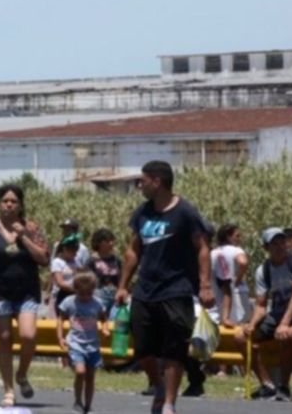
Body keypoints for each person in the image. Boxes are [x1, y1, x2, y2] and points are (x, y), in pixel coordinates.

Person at [116, 160, 213, 414]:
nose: (140, 185)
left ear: (157, 182)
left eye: (143, 180)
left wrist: (205, 285)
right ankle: (158, 385)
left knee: (174, 349)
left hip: (177, 289)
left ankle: (169, 403)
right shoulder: (142, 212)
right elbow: (133, 251)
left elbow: (203, 248)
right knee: (143, 350)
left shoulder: (185, 213)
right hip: (145, 290)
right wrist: (123, 285)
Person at [0, 183, 49, 408]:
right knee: (4, 339)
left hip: (26, 292)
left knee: (28, 336)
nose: (9, 205)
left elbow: (43, 258)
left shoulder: (31, 228)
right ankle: (8, 389)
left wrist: (23, 237)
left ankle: (22, 373)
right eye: (5, 201)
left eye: (14, 201)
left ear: (21, 205)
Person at [242, 227, 292, 400]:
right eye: (274, 244)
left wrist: (284, 324)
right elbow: (261, 306)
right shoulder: (263, 270)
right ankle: (267, 385)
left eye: (282, 242)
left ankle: (284, 387)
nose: (279, 246)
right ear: (266, 248)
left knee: (285, 335)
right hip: (277, 315)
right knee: (241, 337)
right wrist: (252, 324)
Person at [56, 271, 106, 414]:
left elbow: (103, 318)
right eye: (82, 293)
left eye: (89, 293)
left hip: (93, 344)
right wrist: (60, 337)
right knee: (80, 371)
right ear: (76, 290)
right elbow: (60, 319)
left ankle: (88, 406)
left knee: (90, 377)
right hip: (76, 343)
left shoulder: (97, 303)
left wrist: (105, 329)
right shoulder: (69, 302)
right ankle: (77, 400)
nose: (85, 297)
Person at [211, 223, 251, 328]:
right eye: (237, 236)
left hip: (219, 298)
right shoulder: (236, 250)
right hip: (238, 294)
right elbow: (243, 262)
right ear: (228, 237)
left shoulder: (213, 252)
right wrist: (238, 278)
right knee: (241, 327)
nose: (240, 239)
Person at [88, 229, 121, 315]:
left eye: (112, 240)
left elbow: (120, 277)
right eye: (107, 241)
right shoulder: (91, 260)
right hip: (98, 294)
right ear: (99, 243)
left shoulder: (116, 260)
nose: (111, 243)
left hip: (115, 294)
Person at [50, 234, 82, 314]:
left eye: (76, 251)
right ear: (64, 249)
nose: (75, 253)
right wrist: (75, 289)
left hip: (77, 295)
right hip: (63, 294)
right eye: (72, 251)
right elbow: (60, 282)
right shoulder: (57, 262)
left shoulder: (76, 261)